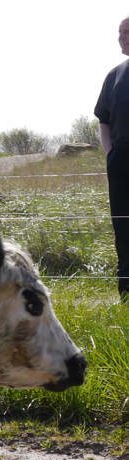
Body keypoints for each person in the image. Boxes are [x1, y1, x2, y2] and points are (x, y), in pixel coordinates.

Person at [96, 16, 129, 299]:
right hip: (120, 161)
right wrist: (110, 153)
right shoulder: (114, 75)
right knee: (123, 225)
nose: (122, 37)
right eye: (120, 32)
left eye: (127, 32)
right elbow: (103, 120)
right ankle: (127, 291)